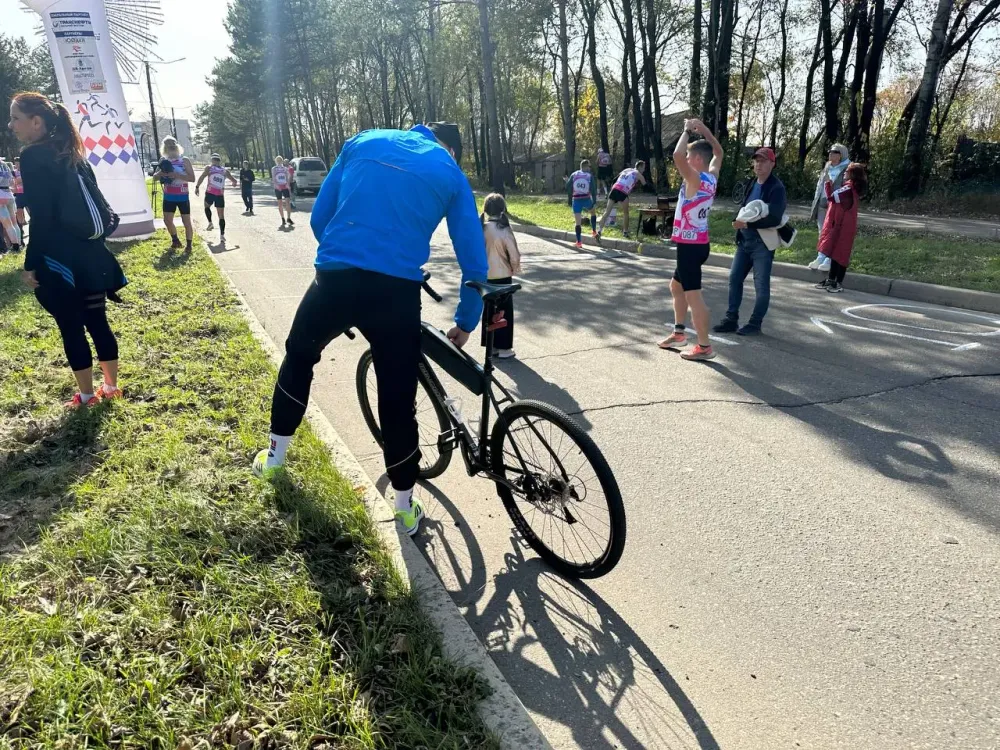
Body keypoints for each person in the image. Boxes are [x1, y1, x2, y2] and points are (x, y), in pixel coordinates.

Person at [252, 122, 488, 538]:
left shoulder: (362, 141)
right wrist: (466, 321)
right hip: (396, 293)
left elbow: (320, 218)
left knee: (299, 356)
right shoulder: (450, 171)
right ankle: (404, 507)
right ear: (450, 149)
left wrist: (345, 258)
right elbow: (473, 259)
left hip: (335, 279)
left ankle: (273, 460)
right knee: (397, 396)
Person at [8, 91, 127, 407]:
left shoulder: (33, 156)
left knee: (71, 326)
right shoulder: (74, 153)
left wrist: (31, 263)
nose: (11, 125)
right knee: (98, 321)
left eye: (16, 118)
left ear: (36, 122)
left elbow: (42, 217)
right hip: (92, 254)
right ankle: (111, 387)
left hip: (60, 259)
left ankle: (86, 396)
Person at [658, 118, 723, 362]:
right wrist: (704, 130)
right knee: (676, 287)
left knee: (694, 297)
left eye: (689, 156)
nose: (685, 158)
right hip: (699, 244)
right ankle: (679, 333)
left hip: (690, 246)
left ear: (696, 159)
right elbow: (718, 152)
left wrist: (686, 130)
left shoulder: (695, 179)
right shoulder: (712, 176)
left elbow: (676, 156)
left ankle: (704, 346)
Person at [713, 147, 786, 336]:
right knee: (734, 279)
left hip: (762, 244)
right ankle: (731, 319)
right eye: (756, 161)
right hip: (744, 242)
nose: (758, 164)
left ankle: (755, 324)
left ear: (772, 164)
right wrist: (738, 222)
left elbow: (775, 218)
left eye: (763, 161)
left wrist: (747, 225)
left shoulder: (776, 188)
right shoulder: (752, 183)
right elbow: (746, 209)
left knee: (761, 285)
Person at [814, 163, 867, 293]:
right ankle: (832, 279)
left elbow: (831, 197)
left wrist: (827, 183)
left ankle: (837, 282)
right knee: (836, 252)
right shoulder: (851, 188)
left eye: (847, 171)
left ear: (852, 174)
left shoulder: (848, 188)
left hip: (842, 226)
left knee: (840, 253)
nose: (844, 173)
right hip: (844, 225)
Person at [480, 193, 521, 359]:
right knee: (504, 311)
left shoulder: (481, 228)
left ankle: (491, 346)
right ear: (502, 209)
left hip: (485, 274)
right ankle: (504, 348)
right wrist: (514, 269)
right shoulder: (504, 229)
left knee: (489, 310)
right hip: (503, 275)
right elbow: (514, 255)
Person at [807, 144, 850, 271]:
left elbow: (847, 189)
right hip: (822, 204)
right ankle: (821, 256)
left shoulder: (847, 168)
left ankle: (829, 259)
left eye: (835, 152)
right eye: (830, 151)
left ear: (841, 155)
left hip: (836, 206)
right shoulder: (827, 167)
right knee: (822, 232)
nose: (831, 154)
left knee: (833, 232)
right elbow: (819, 186)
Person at [151, 136, 194, 252]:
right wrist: (160, 174)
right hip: (169, 196)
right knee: (167, 220)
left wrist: (177, 175)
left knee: (186, 221)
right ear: (164, 148)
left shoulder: (184, 160)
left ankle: (189, 245)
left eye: (172, 145)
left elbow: (192, 178)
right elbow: (154, 177)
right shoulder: (163, 160)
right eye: (168, 146)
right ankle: (175, 241)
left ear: (177, 146)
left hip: (182, 196)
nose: (171, 147)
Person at [596, 161, 646, 240]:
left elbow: (615, 179)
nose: (644, 170)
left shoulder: (627, 169)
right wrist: (655, 193)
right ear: (639, 167)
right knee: (626, 213)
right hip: (623, 191)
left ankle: (599, 230)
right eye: (643, 168)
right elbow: (646, 186)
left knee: (607, 212)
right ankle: (625, 232)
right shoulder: (638, 174)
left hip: (614, 189)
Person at [195, 153, 237, 241]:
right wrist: (233, 183)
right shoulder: (225, 171)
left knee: (206, 206)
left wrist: (197, 187)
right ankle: (222, 235)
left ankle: (210, 223)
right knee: (221, 216)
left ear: (212, 160)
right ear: (219, 161)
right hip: (220, 195)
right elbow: (234, 181)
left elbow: (202, 177)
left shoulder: (209, 168)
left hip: (210, 193)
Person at [566, 159, 598, 249]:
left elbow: (567, 186)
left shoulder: (574, 174)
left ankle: (579, 242)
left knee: (578, 222)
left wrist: (568, 184)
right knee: (593, 213)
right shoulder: (589, 176)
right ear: (586, 166)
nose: (590, 168)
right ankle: (594, 231)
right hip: (586, 199)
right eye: (589, 166)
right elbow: (593, 190)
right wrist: (594, 201)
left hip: (576, 200)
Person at [0, 158, 22, 253]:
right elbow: (11, 182)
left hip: (1, 195)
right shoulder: (6, 165)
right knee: (14, 223)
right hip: (9, 193)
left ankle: (15, 247)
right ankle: (19, 244)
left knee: (7, 224)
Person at [271, 156, 293, 227]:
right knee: (280, 203)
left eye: (280, 160)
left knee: (287, 202)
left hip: (284, 186)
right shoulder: (274, 168)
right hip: (278, 187)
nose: (279, 162)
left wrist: (287, 184)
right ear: (276, 161)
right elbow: (273, 178)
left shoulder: (285, 168)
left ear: (282, 161)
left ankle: (288, 218)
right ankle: (283, 218)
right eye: (278, 161)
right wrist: (276, 185)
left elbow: (287, 177)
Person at [11, 156, 25, 235]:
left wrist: (19, 180)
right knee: (19, 212)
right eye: (16, 164)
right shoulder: (14, 172)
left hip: (27, 193)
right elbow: (14, 182)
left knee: (31, 211)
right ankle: (21, 229)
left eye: (18, 163)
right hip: (19, 194)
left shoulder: (26, 170)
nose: (17, 165)